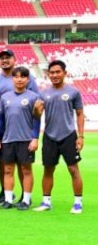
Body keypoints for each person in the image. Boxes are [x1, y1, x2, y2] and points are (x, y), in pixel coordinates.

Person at [0, 49, 39, 202]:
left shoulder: (28, 80)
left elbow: (37, 108)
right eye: (1, 58)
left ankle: (25, 194)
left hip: (23, 129)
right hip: (2, 128)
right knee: (2, 162)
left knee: (24, 164)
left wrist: (35, 136)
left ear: (14, 59)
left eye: (8, 57)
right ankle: (6, 193)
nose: (5, 60)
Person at [34, 60, 84, 214]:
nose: (54, 75)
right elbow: (37, 116)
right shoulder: (44, 93)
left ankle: (77, 203)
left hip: (68, 135)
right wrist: (36, 110)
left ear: (64, 73)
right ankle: (46, 202)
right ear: (48, 75)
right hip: (49, 136)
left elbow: (80, 114)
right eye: (52, 73)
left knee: (73, 169)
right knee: (48, 170)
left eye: (57, 72)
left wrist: (80, 136)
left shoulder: (73, 92)